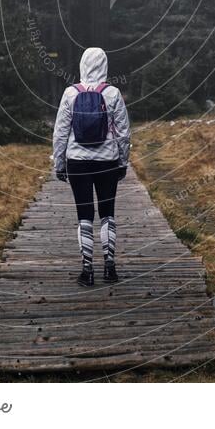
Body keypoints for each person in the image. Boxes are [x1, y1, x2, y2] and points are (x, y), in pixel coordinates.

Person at [53, 47, 130, 287]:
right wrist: (123, 161)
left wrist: (59, 163)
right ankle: (110, 267)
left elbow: (60, 133)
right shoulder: (113, 93)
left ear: (82, 65)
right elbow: (124, 133)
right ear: (104, 65)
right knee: (108, 213)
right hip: (107, 161)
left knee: (84, 215)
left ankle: (87, 270)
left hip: (77, 163)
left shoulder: (69, 93)